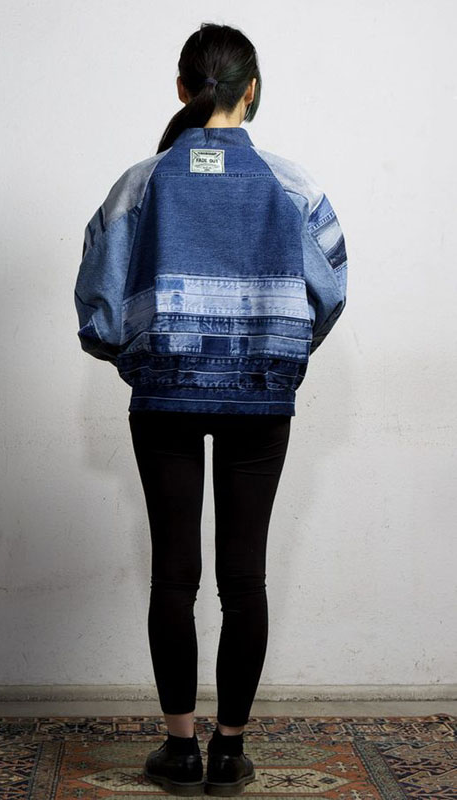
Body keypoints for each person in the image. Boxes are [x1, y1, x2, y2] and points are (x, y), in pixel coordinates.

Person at [74, 21, 348, 797]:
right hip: (261, 396)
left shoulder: (139, 184)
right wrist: (277, 353)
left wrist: (139, 358)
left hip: (163, 394)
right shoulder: (293, 186)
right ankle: (230, 753)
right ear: (251, 91)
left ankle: (180, 749)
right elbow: (330, 290)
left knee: (174, 574)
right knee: (244, 576)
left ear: (182, 89)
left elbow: (96, 306)